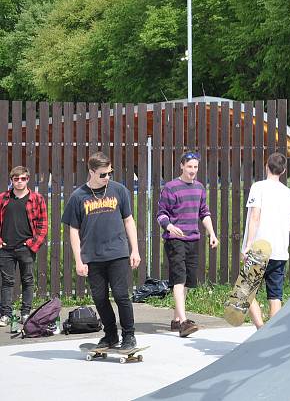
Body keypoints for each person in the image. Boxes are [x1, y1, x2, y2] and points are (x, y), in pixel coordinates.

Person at [63, 152, 140, 350]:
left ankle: (129, 336)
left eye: (109, 173)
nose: (107, 178)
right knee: (99, 298)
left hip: (118, 253)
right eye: (103, 174)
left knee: (122, 295)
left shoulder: (119, 190)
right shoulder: (78, 196)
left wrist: (135, 250)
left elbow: (129, 220)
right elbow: (73, 230)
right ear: (91, 172)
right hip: (93, 256)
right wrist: (78, 260)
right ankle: (111, 334)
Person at [157, 150, 218, 337]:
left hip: (193, 239)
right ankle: (184, 322)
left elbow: (204, 213)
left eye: (195, 167)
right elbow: (160, 214)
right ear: (182, 166)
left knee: (188, 282)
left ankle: (176, 320)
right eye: (189, 166)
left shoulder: (200, 188)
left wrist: (212, 234)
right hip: (175, 240)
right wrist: (169, 227)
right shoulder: (171, 187)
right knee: (179, 279)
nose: (192, 170)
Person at [241, 152, 290, 328]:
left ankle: (260, 328)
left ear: (267, 166)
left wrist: (248, 245)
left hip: (259, 248)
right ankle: (270, 334)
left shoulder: (258, 187)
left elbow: (255, 217)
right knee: (275, 296)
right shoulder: (289, 194)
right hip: (279, 251)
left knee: (246, 292)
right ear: (283, 171)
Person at [0, 166, 48, 327]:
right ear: (11, 180)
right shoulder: (3, 198)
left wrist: (32, 244)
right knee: (6, 282)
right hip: (6, 248)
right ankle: (5, 314)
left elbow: (43, 225)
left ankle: (25, 312)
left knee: (27, 280)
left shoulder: (37, 198)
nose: (19, 182)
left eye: (22, 179)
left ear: (27, 179)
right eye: (16, 179)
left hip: (26, 248)